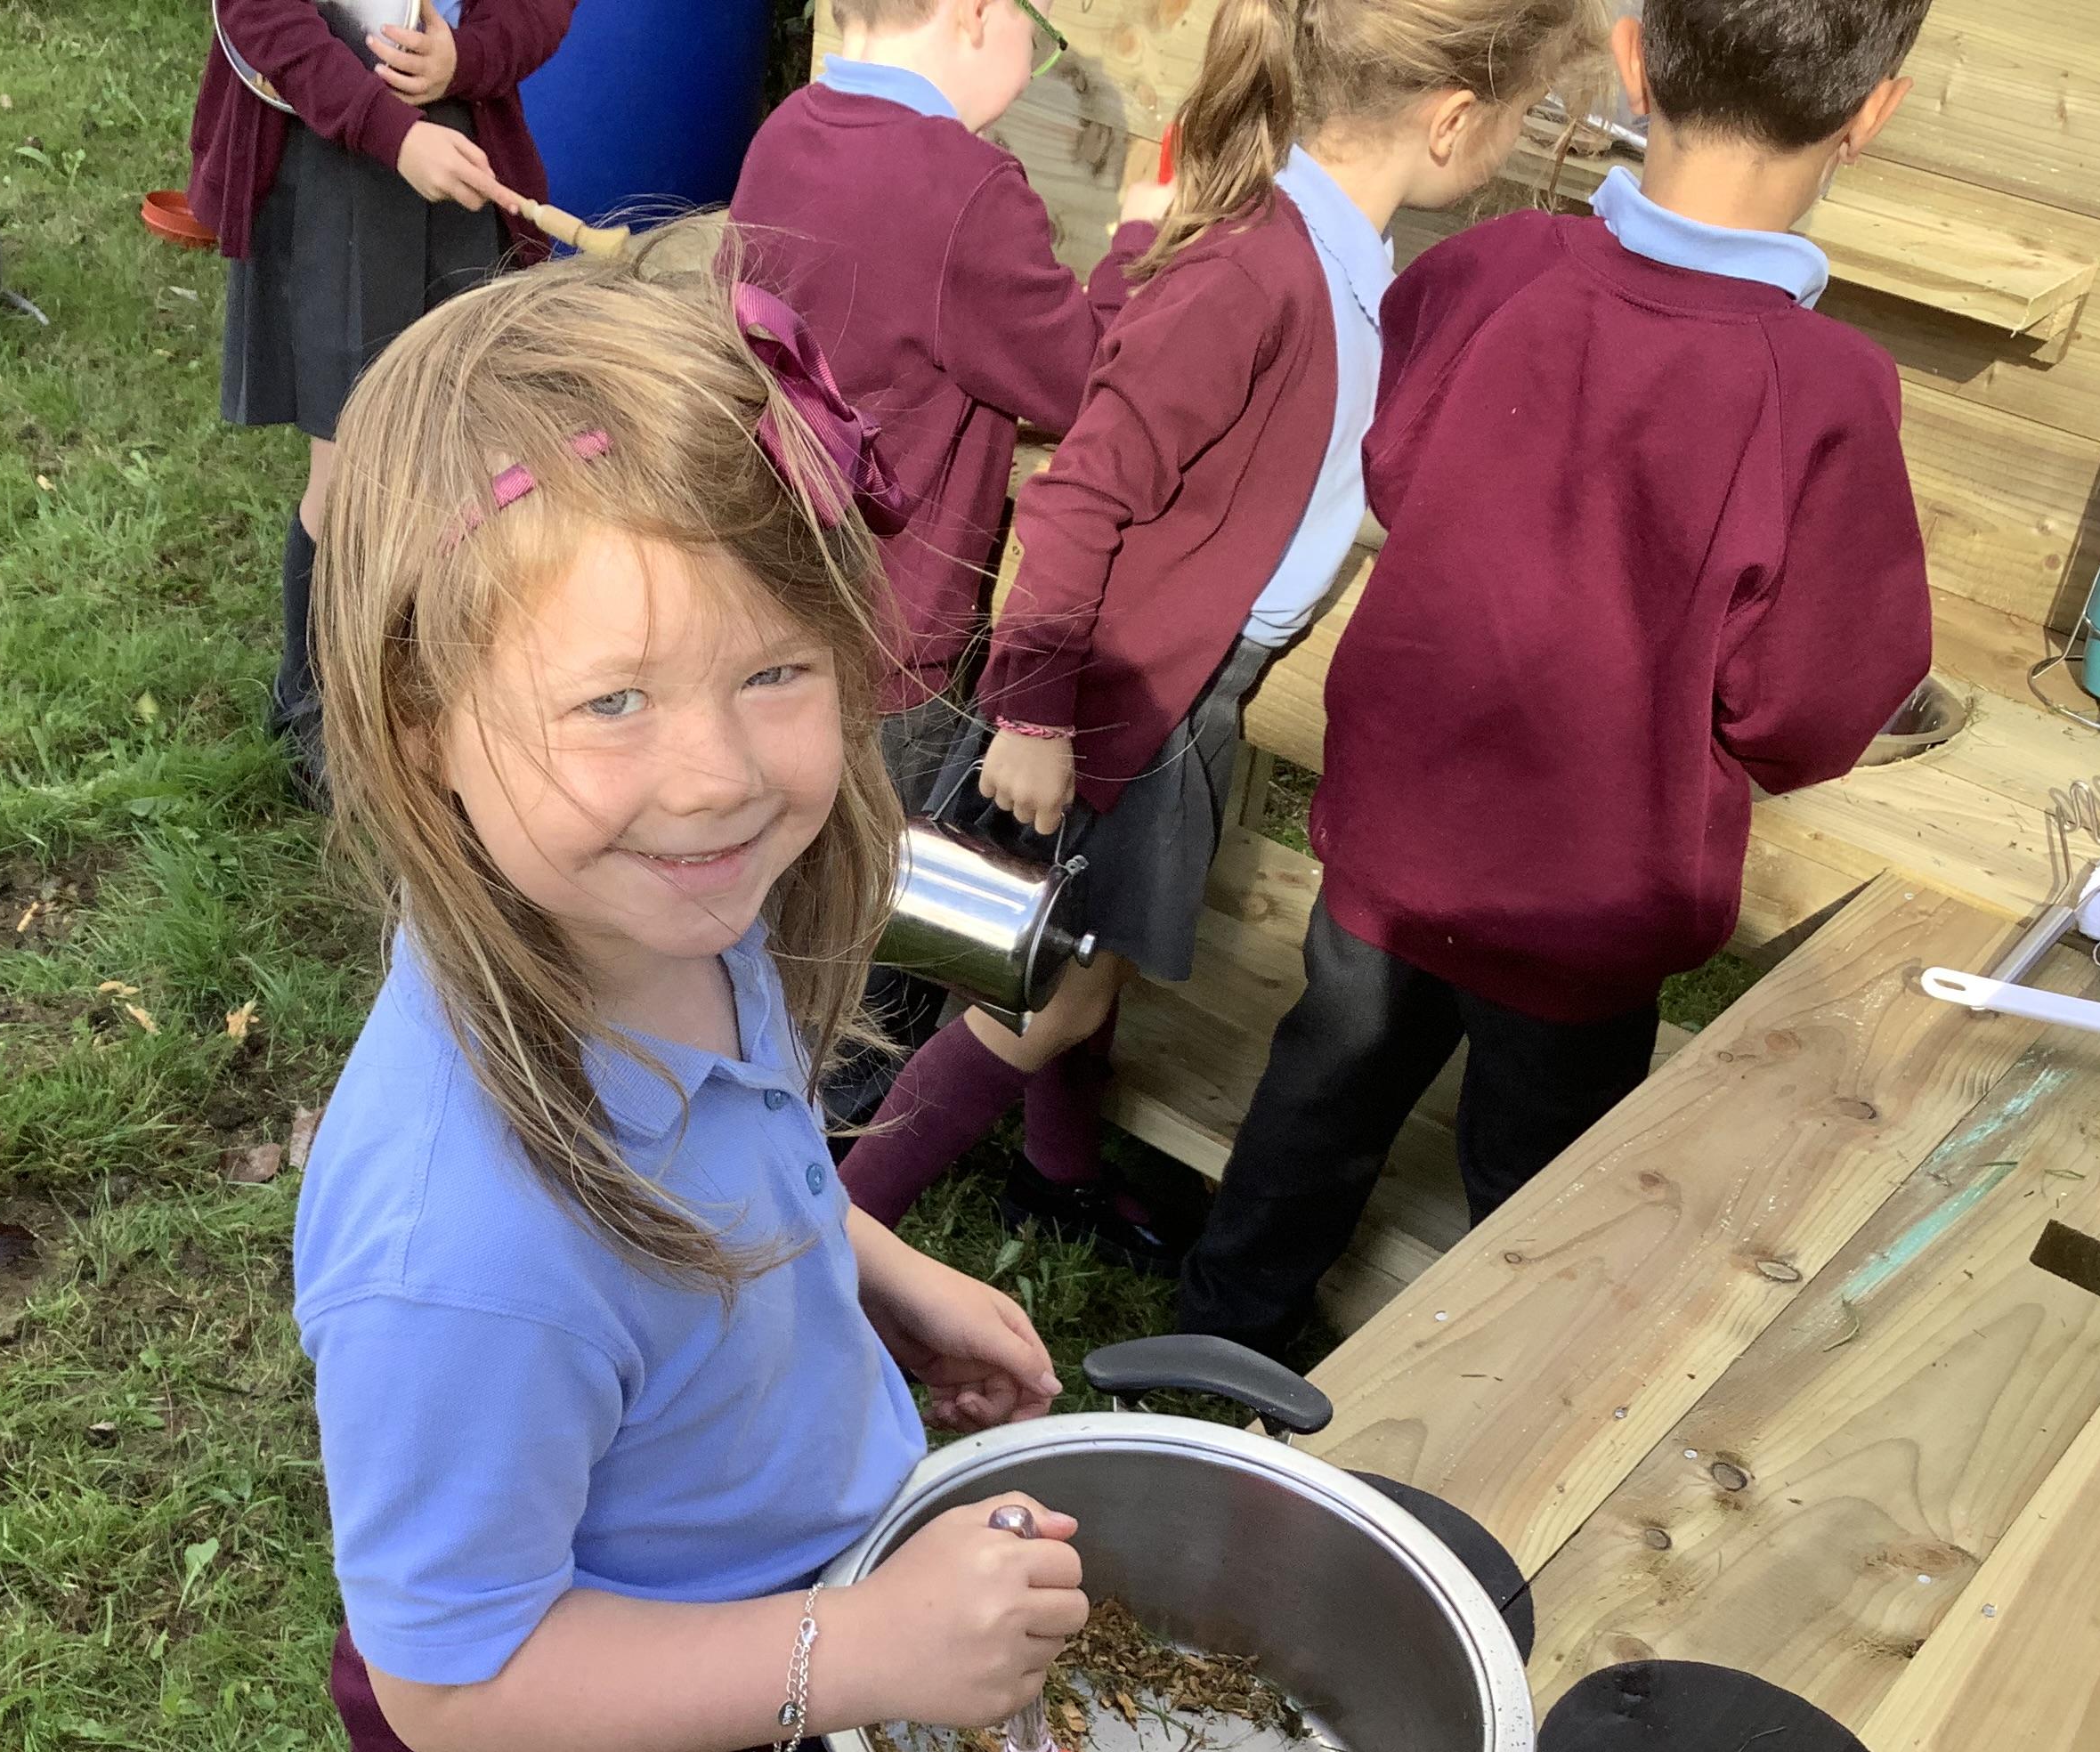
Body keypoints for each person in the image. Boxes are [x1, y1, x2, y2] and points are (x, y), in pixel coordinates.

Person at [293, 242, 1086, 1752]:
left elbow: (748, 1151)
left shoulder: (663, 925)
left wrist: (875, 1269)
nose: (716, 776)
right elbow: (458, 1673)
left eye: (774, 671)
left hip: (782, 1635)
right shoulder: (462, 1251)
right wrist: (857, 1653)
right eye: (612, 701)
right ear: (420, 723)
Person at [1178, 0, 1935, 1361]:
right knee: (1541, 1194)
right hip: (1589, 902)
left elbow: (1396, 469)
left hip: (1399, 835)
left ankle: (1215, 1349)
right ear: (1871, 113)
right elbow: (1812, 709)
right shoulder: (1827, 390)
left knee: (1321, 1091)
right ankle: (1495, 1414)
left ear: (1634, 59)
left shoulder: (1495, 268)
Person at [838, 0, 1604, 1271]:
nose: (1518, 142)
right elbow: (1083, 494)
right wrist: (1032, 711)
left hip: (1193, 687)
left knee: (1093, 957)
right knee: (1055, 993)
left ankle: (1055, 1177)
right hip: (1120, 694)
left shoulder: (1343, 259)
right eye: (1525, 117)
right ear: (1455, 118)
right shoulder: (1255, 269)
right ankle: (843, 1241)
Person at [731, 0, 1172, 1131]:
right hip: (900, 625)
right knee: (874, 897)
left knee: (780, 861)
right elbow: (1081, 380)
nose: (1038, 64)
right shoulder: (965, 187)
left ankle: (742, 1063)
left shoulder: (788, 129)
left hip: (780, 583)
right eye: (1042, 34)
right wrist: (1135, 242)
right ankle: (827, 1135)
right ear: (979, 15)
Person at [188, 0, 572, 793]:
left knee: (471, 449)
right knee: (355, 466)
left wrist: (466, 59)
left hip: (460, 161)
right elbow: (256, 14)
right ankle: (316, 706)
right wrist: (392, 133)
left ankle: (439, 695)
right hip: (329, 157)